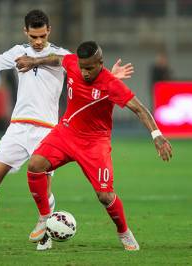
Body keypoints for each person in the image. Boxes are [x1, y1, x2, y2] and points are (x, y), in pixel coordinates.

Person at [0, 10, 133, 251]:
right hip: (18, 126)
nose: (38, 41)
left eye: (42, 35)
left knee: (41, 184)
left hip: (48, 130)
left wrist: (112, 76)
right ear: (25, 32)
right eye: (33, 36)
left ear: (48, 30)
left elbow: (89, 76)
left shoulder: (62, 56)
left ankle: (46, 234)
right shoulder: (18, 52)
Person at [15, 41, 173, 251]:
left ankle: (124, 231)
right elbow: (58, 58)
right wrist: (34, 61)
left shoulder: (111, 84)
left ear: (100, 63)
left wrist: (157, 135)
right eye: (82, 67)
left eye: (89, 68)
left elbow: (140, 109)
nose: (84, 72)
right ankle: (45, 216)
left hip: (94, 143)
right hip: (66, 133)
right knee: (35, 165)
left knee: (105, 196)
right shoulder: (74, 63)